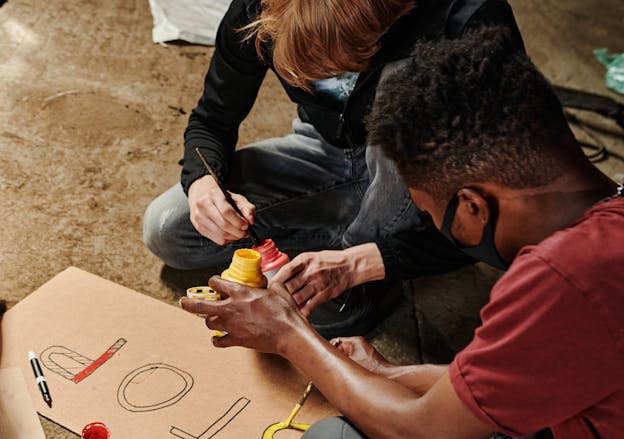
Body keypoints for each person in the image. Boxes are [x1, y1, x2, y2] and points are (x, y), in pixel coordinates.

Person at [180, 29, 622, 439]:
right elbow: (544, 376)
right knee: (463, 422)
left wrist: (289, 333)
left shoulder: (564, 278)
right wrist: (391, 375)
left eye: (436, 216)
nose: (441, 232)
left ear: (474, 204)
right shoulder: (607, 228)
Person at [145, 0, 523, 337]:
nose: (329, 80)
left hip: (428, 175)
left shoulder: (467, 20)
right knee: (170, 231)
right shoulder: (259, 10)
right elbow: (212, 119)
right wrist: (203, 183)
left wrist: (364, 263)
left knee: (406, 96)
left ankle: (375, 252)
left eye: (343, 67)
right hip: (323, 150)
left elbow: (506, 225)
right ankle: (363, 234)